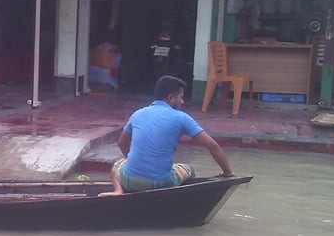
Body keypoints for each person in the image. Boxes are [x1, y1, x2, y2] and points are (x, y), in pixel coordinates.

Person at [100, 75, 235, 196]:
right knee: (188, 169)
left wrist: (131, 159)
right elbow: (213, 145)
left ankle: (118, 191)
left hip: (130, 181)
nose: (182, 101)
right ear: (171, 98)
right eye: (181, 97)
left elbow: (121, 143)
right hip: (161, 182)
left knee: (116, 165)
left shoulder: (138, 114)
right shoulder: (181, 117)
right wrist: (228, 173)